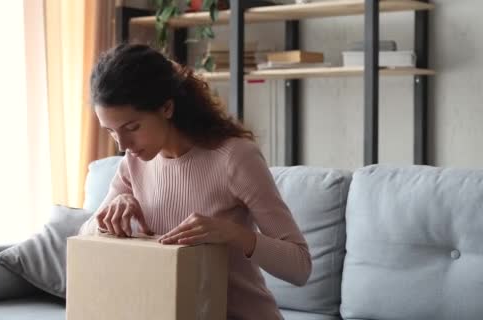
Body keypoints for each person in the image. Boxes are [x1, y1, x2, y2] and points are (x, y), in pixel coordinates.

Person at [79, 43, 311, 320]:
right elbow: (85, 236)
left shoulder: (234, 158)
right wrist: (113, 211)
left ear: (166, 107)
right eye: (111, 132)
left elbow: (300, 267)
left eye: (132, 128)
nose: (124, 145)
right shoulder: (134, 164)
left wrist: (232, 234)